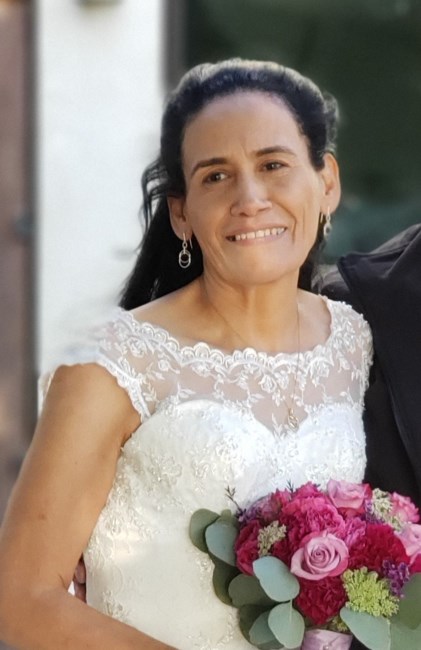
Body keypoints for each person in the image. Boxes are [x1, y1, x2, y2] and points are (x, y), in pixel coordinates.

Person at [0, 59, 373, 649]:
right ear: (181, 212)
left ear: (326, 181)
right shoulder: (112, 361)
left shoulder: (352, 342)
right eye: (216, 176)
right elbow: (21, 600)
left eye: (273, 165)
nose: (250, 198)